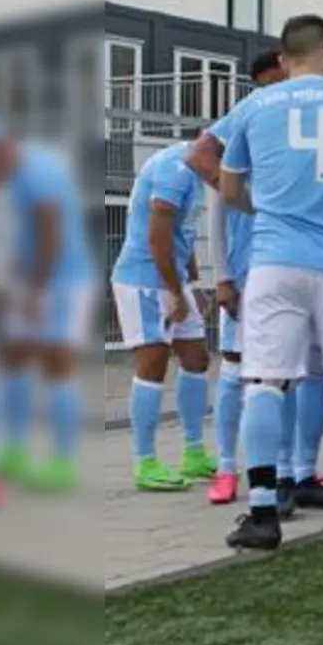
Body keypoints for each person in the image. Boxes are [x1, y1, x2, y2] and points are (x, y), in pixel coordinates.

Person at [220, 14, 323, 551]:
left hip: (274, 257)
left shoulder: (252, 106)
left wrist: (265, 207)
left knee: (264, 381)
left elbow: (227, 187)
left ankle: (265, 510)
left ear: (283, 57)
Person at [190, 50, 323, 514]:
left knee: (310, 370)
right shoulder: (246, 128)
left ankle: (296, 471)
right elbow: (216, 200)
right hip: (252, 270)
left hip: (313, 265)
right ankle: (229, 467)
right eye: (264, 84)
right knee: (246, 370)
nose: (277, 90)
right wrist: (222, 275)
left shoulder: (318, 129)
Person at [0, 125, 95, 495]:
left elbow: (51, 233)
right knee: (14, 358)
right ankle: (13, 451)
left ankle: (62, 462)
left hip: (63, 281)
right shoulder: (14, 174)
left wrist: (35, 291)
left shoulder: (38, 172)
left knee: (57, 364)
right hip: (31, 278)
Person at [110, 142, 214, 492]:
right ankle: (145, 461)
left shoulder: (195, 172)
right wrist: (174, 291)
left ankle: (194, 452)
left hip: (173, 278)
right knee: (153, 362)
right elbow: (158, 239)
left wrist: (193, 285)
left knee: (197, 357)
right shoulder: (174, 169)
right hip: (143, 279)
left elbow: (183, 235)